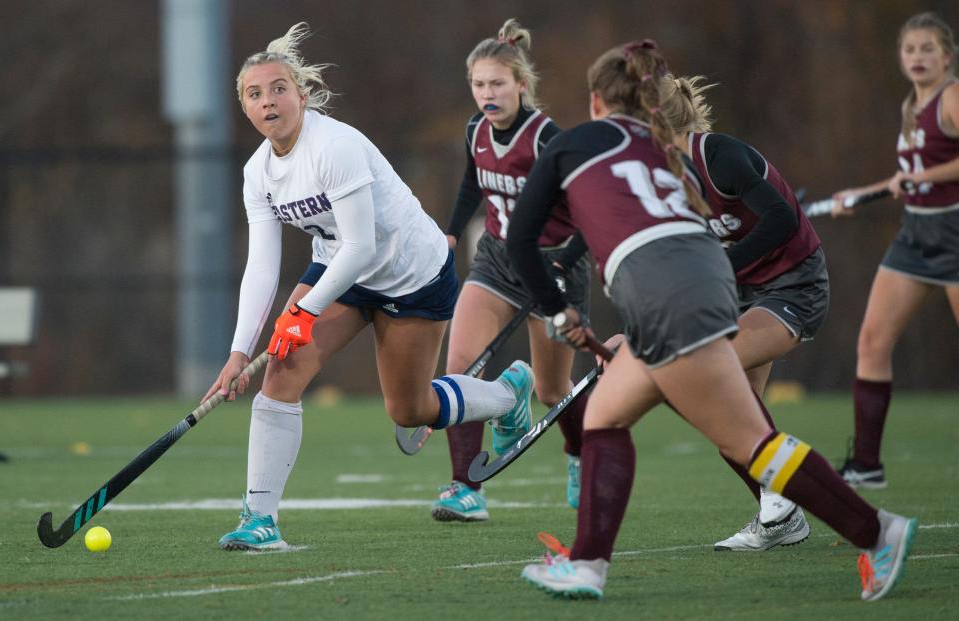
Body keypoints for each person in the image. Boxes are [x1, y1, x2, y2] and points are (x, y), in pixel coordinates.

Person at [506, 39, 916, 602]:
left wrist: (559, 313)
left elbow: (520, 240)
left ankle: (879, 533)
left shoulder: (570, 143)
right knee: (605, 415)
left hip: (676, 295)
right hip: (705, 285)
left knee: (749, 439)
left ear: (597, 101)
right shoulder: (667, 150)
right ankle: (588, 564)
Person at [203, 22, 536, 551]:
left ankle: (506, 395)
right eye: (254, 94)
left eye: (279, 89)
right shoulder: (257, 173)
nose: (268, 101)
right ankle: (259, 521)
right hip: (341, 272)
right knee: (281, 375)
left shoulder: (333, 146)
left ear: (302, 95)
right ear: (244, 107)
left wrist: (305, 309)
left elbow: (361, 246)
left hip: (411, 274)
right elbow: (262, 267)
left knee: (410, 410)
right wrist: (239, 351)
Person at [430, 19, 592, 523]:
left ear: (521, 84)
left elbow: (592, 212)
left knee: (551, 389)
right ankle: (465, 487)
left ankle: (579, 454)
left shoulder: (549, 140)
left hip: (553, 267)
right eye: (478, 85)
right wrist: (452, 232)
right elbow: (470, 184)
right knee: (462, 368)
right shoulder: (475, 130)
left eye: (497, 83)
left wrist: (567, 261)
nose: (487, 94)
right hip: (497, 260)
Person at [658, 74, 828, 551]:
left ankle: (796, 509)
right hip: (738, 291)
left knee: (715, 377)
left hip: (793, 283)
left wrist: (721, 267)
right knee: (729, 419)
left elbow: (780, 218)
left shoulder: (718, 157)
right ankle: (780, 515)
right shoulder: (661, 177)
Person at [830, 12, 959, 489]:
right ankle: (867, 463)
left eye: (928, 49)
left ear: (947, 55)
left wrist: (920, 178)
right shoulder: (912, 106)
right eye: (910, 50)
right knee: (872, 342)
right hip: (914, 235)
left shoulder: (952, 96)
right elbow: (905, 180)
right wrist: (860, 194)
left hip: (953, 233)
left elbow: (924, 174)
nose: (918, 57)